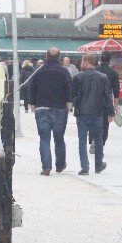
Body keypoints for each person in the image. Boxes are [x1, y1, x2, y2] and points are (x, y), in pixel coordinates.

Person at [29, 48, 72, 176]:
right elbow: (69, 88)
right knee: (59, 138)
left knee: (44, 138)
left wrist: (32, 104)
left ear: (46, 56)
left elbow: (32, 87)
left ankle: (46, 168)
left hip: (42, 109)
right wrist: (69, 103)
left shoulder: (39, 71)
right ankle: (59, 165)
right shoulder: (64, 71)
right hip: (60, 109)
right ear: (59, 57)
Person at [71, 53, 114, 175]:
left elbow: (72, 94)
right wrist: (111, 112)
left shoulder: (78, 77)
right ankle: (98, 165)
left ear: (85, 62)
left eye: (82, 61)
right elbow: (107, 96)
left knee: (82, 140)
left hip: (82, 113)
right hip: (98, 113)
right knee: (98, 140)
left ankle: (85, 167)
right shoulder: (103, 77)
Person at [96, 51, 121, 150]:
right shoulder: (113, 73)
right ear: (110, 60)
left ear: (100, 59)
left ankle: (93, 138)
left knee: (94, 121)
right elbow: (116, 91)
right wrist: (116, 106)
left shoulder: (95, 70)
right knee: (105, 124)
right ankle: (101, 142)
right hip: (106, 101)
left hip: (94, 101)